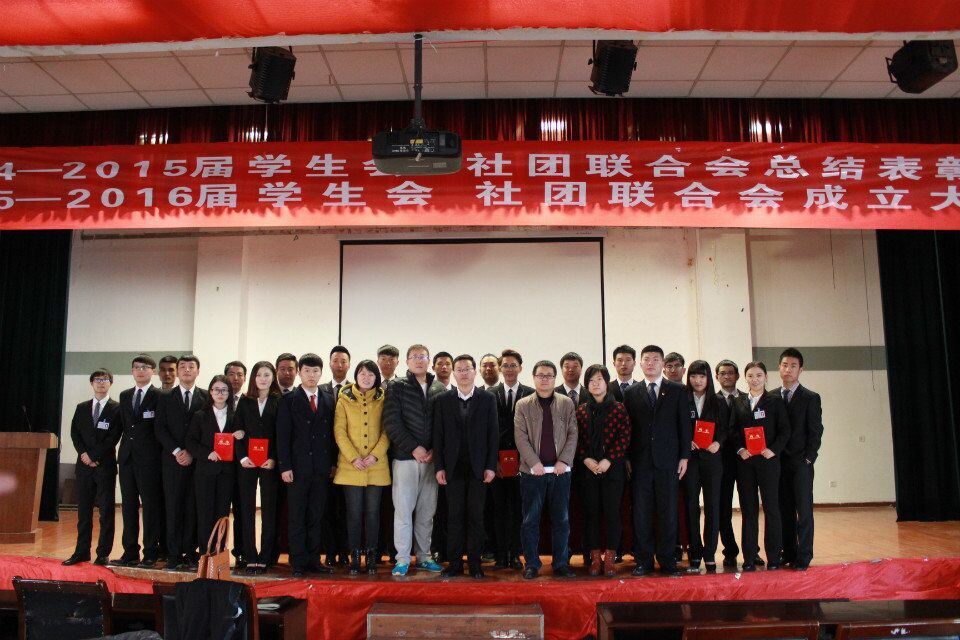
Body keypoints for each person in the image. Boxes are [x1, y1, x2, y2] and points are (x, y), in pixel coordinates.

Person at [623, 345, 692, 577]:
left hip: (669, 461)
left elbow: (685, 425)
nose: (651, 363)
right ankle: (643, 561)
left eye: (655, 359)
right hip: (640, 462)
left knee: (668, 512)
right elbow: (628, 429)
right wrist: (627, 457)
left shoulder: (678, 390)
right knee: (641, 513)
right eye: (647, 359)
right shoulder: (631, 392)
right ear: (640, 364)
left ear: (662, 364)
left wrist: (684, 456)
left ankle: (668, 560)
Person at [384, 344, 447, 576]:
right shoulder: (397, 386)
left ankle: (424, 557)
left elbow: (443, 425)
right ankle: (402, 559)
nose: (419, 360)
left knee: (426, 512)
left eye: (423, 356)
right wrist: (414, 448)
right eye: (414, 357)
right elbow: (392, 422)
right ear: (407, 362)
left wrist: (434, 450)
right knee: (403, 511)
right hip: (405, 459)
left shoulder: (439, 388)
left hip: (431, 461)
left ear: (429, 361)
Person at [433, 355, 498, 578]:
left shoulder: (487, 398)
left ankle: (475, 563)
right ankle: (454, 563)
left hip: (479, 468)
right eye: (459, 369)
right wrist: (439, 467)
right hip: (452, 468)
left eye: (467, 369)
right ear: (453, 373)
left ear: (474, 372)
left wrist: (491, 466)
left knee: (476, 516)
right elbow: (438, 436)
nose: (463, 373)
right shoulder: (443, 400)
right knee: (454, 517)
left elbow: (493, 435)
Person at [515, 360, 578, 580]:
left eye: (549, 376)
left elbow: (573, 434)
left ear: (555, 378)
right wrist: (534, 463)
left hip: (561, 472)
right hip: (532, 473)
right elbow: (520, 437)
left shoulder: (566, 403)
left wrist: (564, 461)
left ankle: (560, 563)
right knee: (530, 520)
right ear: (534, 378)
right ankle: (532, 564)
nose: (545, 379)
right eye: (540, 375)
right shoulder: (523, 404)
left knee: (561, 520)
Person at [277, 353, 336, 577]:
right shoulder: (289, 400)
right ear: (299, 373)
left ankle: (314, 559)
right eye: (307, 371)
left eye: (315, 371)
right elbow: (283, 436)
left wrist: (332, 463)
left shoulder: (329, 399)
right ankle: (298, 561)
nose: (311, 375)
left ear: (321, 373)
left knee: (316, 516)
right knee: (297, 517)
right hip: (297, 469)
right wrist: (285, 466)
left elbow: (332, 435)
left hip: (321, 468)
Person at [333, 360, 390, 575]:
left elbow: (387, 431)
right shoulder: (344, 399)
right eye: (362, 374)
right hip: (351, 466)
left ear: (377, 377)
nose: (366, 378)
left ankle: (372, 556)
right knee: (354, 513)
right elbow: (339, 431)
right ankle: (355, 556)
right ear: (356, 376)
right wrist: (353, 457)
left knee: (373, 513)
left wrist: (375, 456)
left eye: (371, 374)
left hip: (377, 466)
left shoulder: (384, 399)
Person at [732, 361, 790, 572]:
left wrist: (773, 449)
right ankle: (749, 558)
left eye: (758, 375)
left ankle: (774, 557)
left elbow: (785, 430)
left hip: (768, 462)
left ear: (766, 377)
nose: (754, 379)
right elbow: (733, 430)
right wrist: (740, 449)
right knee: (749, 511)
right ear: (745, 378)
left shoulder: (775, 401)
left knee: (771, 509)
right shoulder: (738, 401)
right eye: (750, 375)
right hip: (746, 463)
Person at [575, 364, 630, 577]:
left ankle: (610, 559)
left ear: (607, 382)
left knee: (612, 513)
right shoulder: (581, 410)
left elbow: (624, 437)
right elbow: (576, 439)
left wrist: (609, 459)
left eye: (599, 379)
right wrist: (586, 459)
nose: (595, 384)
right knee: (591, 514)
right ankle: (595, 558)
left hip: (612, 470)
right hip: (588, 470)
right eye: (591, 380)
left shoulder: (619, 408)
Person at [155, 355, 208, 572]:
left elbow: (208, 429)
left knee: (193, 508)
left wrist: (193, 453)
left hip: (197, 463)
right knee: (173, 507)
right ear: (177, 371)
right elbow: (160, 428)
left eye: (191, 366)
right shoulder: (165, 397)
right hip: (172, 461)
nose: (187, 370)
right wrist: (177, 451)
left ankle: (191, 552)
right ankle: (174, 554)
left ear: (198, 371)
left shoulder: (206, 396)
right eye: (183, 367)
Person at [64, 369, 121, 566]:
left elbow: (114, 436)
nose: (101, 382)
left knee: (106, 511)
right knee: (84, 512)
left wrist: (95, 456)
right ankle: (81, 551)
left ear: (110, 383)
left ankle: (103, 553)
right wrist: (84, 454)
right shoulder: (82, 407)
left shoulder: (117, 408)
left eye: (105, 379)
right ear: (91, 383)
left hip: (105, 466)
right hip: (84, 466)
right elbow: (75, 433)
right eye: (97, 379)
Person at [112, 355, 164, 568]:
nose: (140, 371)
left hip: (150, 459)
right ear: (132, 371)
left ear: (153, 371)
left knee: (150, 507)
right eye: (136, 367)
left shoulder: (160, 396)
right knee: (128, 506)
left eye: (145, 367)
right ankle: (130, 552)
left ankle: (151, 552)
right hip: (127, 458)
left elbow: (160, 428)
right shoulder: (125, 395)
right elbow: (124, 426)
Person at [186, 375, 245, 558]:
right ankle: (205, 553)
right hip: (205, 472)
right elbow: (191, 442)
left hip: (227, 473)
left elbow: (242, 443)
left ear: (229, 393)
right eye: (216, 389)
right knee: (204, 513)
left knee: (222, 513)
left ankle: (219, 554)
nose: (220, 393)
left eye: (224, 390)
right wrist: (207, 453)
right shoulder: (200, 415)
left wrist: (242, 434)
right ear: (210, 392)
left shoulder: (236, 416)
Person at [778, 348, 823, 572]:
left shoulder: (810, 397)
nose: (788, 369)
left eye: (793, 366)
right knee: (784, 510)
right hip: (778, 464)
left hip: (800, 464)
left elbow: (816, 431)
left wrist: (808, 459)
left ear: (800, 370)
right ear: (779, 368)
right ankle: (789, 552)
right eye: (785, 365)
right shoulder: (771, 396)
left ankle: (804, 555)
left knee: (803, 511)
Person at [487, 349, 533, 570]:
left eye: (513, 365)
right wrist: (491, 460)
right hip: (497, 461)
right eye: (505, 365)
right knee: (498, 510)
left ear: (520, 368)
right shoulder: (489, 394)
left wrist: (527, 459)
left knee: (518, 510)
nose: (509, 369)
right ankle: (500, 555)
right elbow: (486, 430)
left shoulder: (530, 393)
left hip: (523, 461)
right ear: (500, 368)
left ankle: (515, 554)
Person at [683, 360, 730, 573]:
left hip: (712, 460)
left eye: (702, 376)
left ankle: (710, 552)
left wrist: (718, 442)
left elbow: (726, 428)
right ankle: (695, 553)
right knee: (691, 506)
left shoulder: (718, 400)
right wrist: (686, 441)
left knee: (712, 506)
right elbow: (677, 425)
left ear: (709, 378)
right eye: (694, 376)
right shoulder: (683, 398)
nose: (698, 380)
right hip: (691, 460)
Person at [234, 361, 281, 575]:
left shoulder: (279, 401)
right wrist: (243, 457)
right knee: (246, 509)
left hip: (269, 463)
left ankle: (266, 556)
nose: (263, 378)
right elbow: (237, 431)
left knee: (269, 510)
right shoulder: (245, 401)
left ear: (273, 377)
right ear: (253, 378)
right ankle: (250, 555)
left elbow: (282, 434)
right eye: (259, 375)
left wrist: (274, 458)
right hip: (248, 463)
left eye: (267, 375)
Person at [714, 359, 751, 569]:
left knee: (749, 508)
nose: (727, 376)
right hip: (721, 462)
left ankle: (752, 551)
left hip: (746, 460)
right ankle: (729, 551)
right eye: (723, 373)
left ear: (737, 376)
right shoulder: (712, 400)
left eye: (731, 373)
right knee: (723, 509)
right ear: (717, 376)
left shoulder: (748, 398)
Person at [321, 345, 351, 568]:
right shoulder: (320, 390)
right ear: (329, 363)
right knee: (328, 509)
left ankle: (345, 552)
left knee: (348, 510)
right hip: (325, 460)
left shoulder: (355, 390)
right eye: (335, 361)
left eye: (343, 361)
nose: (339, 365)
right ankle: (330, 552)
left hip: (351, 460)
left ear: (349, 365)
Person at [223, 360, 247, 568]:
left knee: (241, 511)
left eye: (240, 374)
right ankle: (218, 553)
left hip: (242, 467)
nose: (236, 378)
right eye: (231, 374)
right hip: (220, 466)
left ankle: (241, 552)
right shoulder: (215, 401)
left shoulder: (249, 401)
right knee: (219, 512)